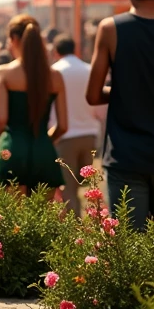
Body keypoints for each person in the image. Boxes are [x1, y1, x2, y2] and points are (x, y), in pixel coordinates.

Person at [87, 0, 154, 246]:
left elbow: (93, 94)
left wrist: (125, 87)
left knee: (130, 251)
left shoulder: (111, 29)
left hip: (126, 156)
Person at [0, 14, 67, 196]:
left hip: (12, 148)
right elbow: (63, 126)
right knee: (42, 221)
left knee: (13, 221)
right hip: (43, 149)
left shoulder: (4, 73)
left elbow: (0, 118)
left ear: (14, 39)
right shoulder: (55, 77)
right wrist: (43, 141)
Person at [51, 33, 101, 215]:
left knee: (69, 189)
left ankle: (76, 234)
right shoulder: (89, 70)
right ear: (75, 49)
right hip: (89, 135)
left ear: (55, 51)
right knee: (89, 186)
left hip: (65, 136)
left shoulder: (54, 72)